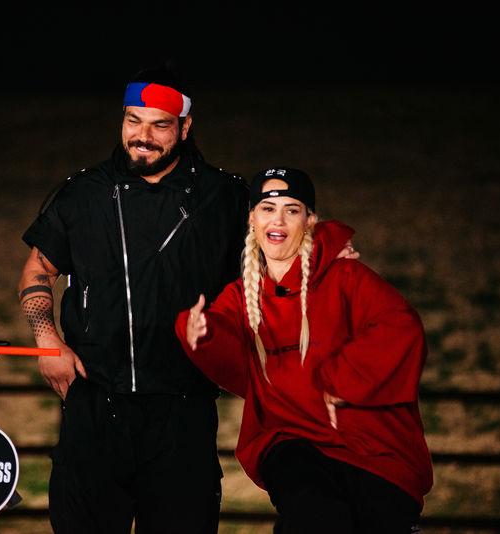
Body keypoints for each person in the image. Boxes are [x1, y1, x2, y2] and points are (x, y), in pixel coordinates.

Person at [18, 68, 357, 533]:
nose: (142, 136)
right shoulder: (82, 193)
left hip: (183, 415)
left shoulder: (225, 197)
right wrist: (47, 340)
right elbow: (38, 269)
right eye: (133, 121)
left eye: (159, 125)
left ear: (184, 127)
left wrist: (331, 254)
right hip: (94, 408)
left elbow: (282, 259)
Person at [177, 167, 433, 533]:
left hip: (369, 445)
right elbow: (230, 352)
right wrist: (201, 334)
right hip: (291, 439)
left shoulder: (344, 276)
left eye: (292, 209)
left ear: (310, 220)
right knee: (313, 515)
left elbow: (400, 325)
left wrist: (342, 380)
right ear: (252, 219)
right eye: (267, 208)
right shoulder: (241, 295)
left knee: (378, 515)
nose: (278, 219)